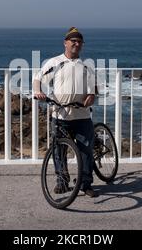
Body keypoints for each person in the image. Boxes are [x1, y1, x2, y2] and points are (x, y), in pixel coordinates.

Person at [33, 27, 98, 198]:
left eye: (79, 42)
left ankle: (86, 184)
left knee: (85, 151)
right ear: (65, 43)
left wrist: (91, 96)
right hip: (60, 114)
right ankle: (62, 182)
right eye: (73, 41)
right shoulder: (55, 62)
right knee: (59, 150)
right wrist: (38, 92)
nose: (76, 44)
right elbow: (38, 78)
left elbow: (93, 90)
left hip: (82, 115)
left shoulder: (86, 66)